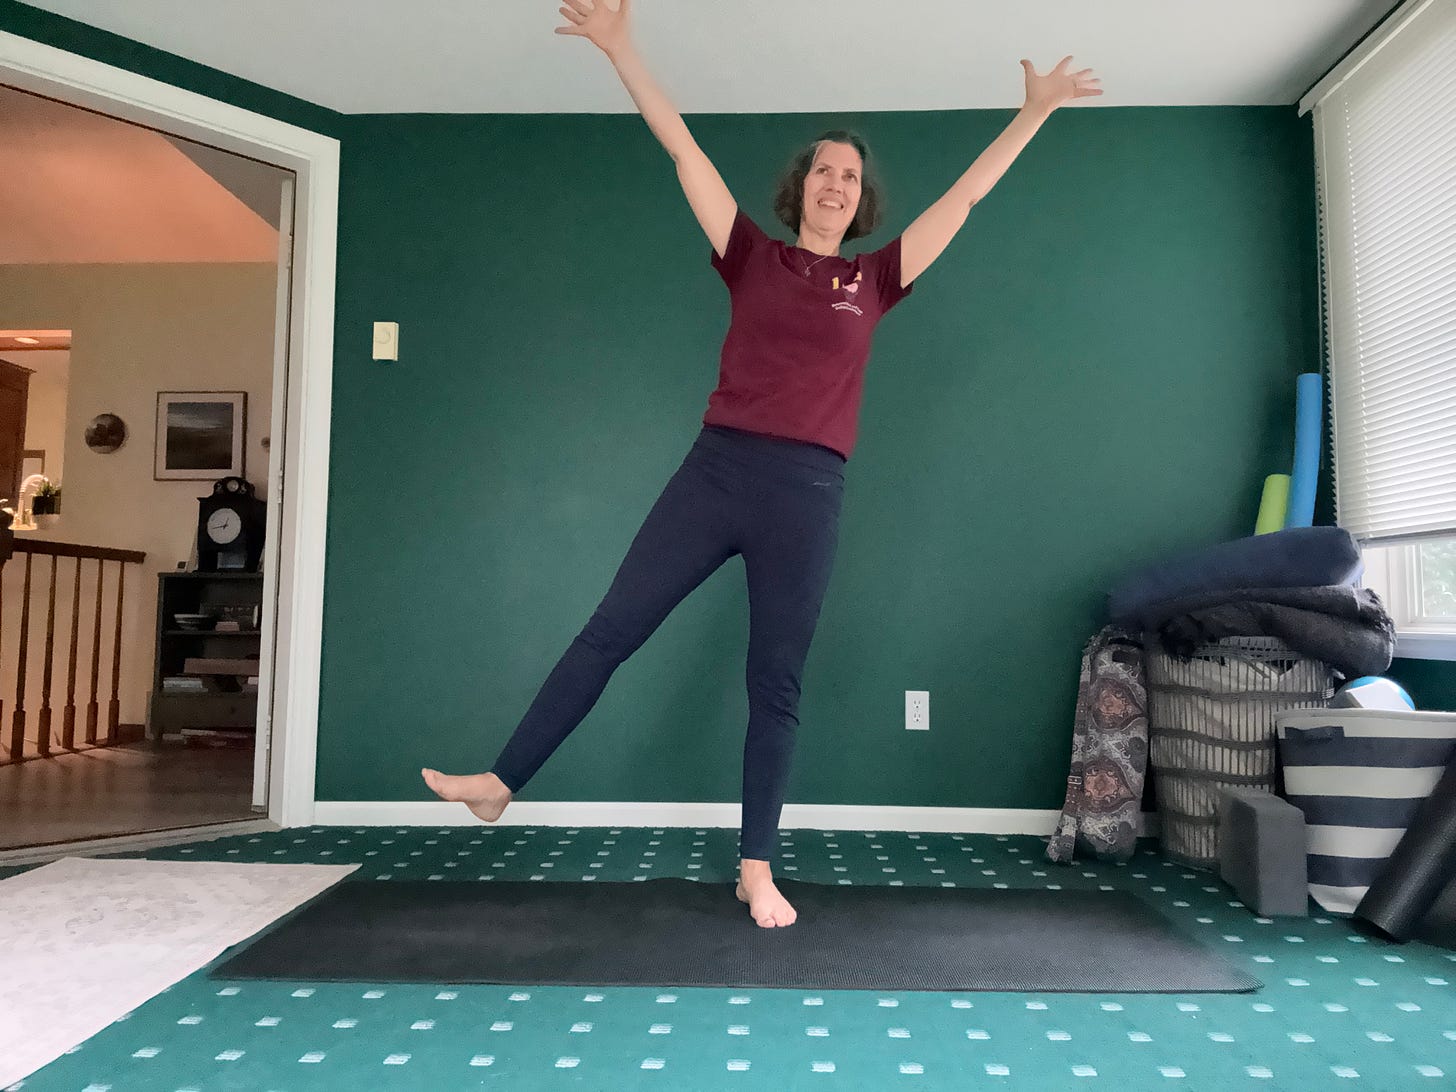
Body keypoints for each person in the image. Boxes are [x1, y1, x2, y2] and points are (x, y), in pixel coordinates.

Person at [424, 0, 1101, 928]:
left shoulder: (877, 280)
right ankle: (503, 781)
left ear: (863, 201)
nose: (835, 183)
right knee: (609, 631)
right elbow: (682, 151)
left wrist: (1034, 113)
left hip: (808, 494)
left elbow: (968, 198)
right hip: (716, 474)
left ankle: (756, 867)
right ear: (802, 188)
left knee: (774, 682)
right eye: (823, 170)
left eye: (850, 176)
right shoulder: (750, 256)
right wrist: (624, 51)